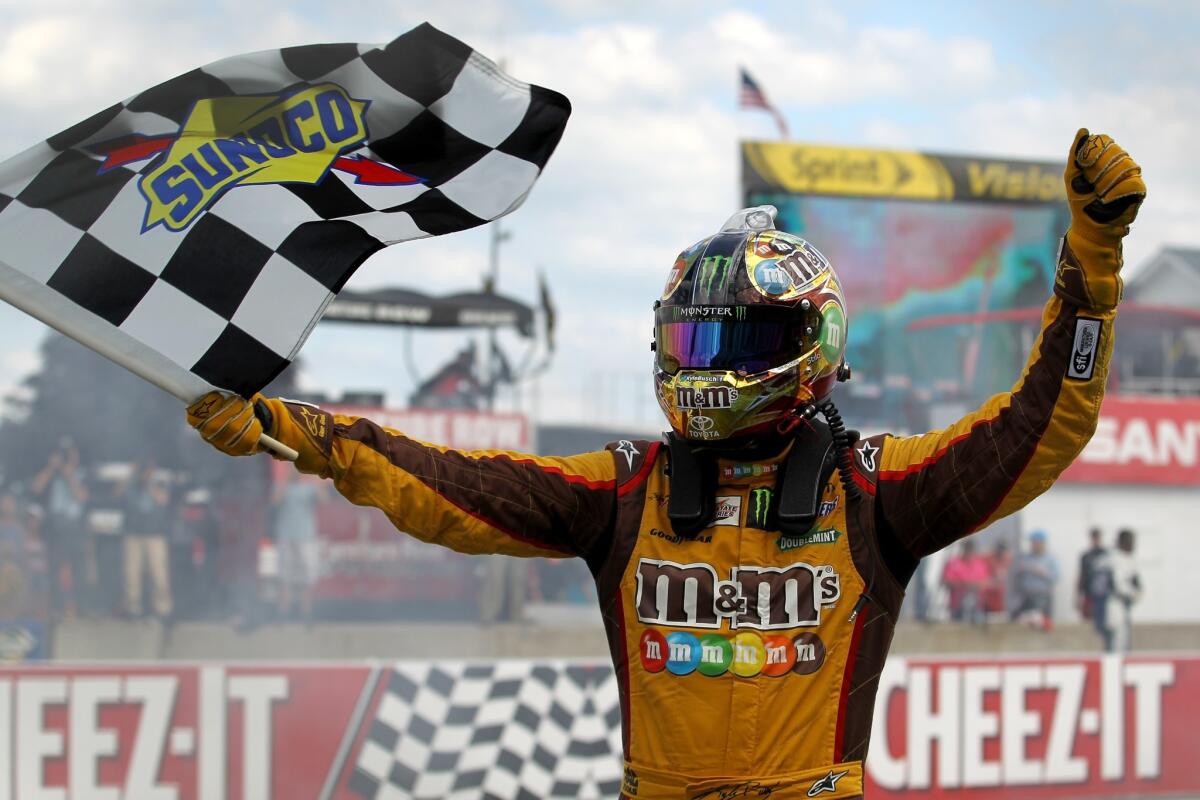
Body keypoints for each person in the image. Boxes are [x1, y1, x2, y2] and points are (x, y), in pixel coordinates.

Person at [187, 130, 1143, 797]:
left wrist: (1089, 265)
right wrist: (296, 431)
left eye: (742, 341)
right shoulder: (624, 489)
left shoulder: (872, 488)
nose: (715, 369)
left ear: (813, 342)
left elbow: (1033, 430)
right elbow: (451, 484)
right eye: (694, 344)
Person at [30, 438, 89, 618]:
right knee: (55, 568)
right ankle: (57, 608)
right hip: (55, 526)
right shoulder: (52, 475)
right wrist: (51, 467)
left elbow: (81, 497)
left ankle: (80, 607)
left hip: (74, 527)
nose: (68, 458)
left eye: (71, 453)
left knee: (78, 569)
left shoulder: (83, 474)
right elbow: (35, 488)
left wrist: (68, 473)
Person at [117, 458, 173, 620]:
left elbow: (163, 500)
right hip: (133, 534)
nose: (145, 473)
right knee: (131, 574)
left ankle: (163, 611)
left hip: (155, 534)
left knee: (159, 573)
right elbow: (117, 494)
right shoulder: (131, 483)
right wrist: (130, 475)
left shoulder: (160, 482)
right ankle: (133, 609)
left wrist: (150, 484)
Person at [269, 469, 325, 622]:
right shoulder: (281, 487)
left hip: (306, 538)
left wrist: (315, 480)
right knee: (284, 578)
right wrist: (286, 482)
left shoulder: (309, 488)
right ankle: (282, 614)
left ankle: (306, 614)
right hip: (286, 537)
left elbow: (323, 500)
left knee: (306, 579)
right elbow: (274, 501)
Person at [1099, 528, 1141, 652]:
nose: (1133, 545)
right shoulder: (1116, 559)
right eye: (1131, 541)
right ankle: (1114, 668)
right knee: (1118, 640)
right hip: (1114, 604)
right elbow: (1119, 585)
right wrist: (1134, 593)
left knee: (1123, 639)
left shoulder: (1126, 559)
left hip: (1122, 605)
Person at [1010, 530, 1060, 629]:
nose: (1033, 545)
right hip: (1026, 597)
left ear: (1042, 543)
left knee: (1042, 623)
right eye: (1032, 542)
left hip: (1042, 596)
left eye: (1035, 542)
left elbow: (1056, 577)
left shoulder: (1050, 559)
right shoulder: (1026, 558)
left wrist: (1043, 573)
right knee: (1024, 622)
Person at [940, 540, 989, 623]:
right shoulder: (953, 563)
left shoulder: (980, 564)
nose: (969, 551)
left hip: (976, 608)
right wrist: (965, 585)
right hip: (957, 607)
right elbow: (946, 581)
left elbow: (985, 583)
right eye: (967, 549)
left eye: (971, 549)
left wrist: (972, 586)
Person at [1077, 527, 1108, 624]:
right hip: (1088, 593)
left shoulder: (1106, 555)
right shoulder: (1086, 556)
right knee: (1088, 620)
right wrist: (1078, 595)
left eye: (1097, 537)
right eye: (1094, 538)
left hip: (1103, 595)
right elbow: (1081, 575)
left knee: (1103, 620)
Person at [981, 540, 1012, 618]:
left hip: (1000, 594)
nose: (1001, 551)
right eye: (1000, 549)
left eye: (1003, 549)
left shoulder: (1007, 559)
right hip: (988, 593)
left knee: (998, 616)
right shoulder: (988, 558)